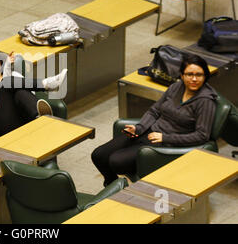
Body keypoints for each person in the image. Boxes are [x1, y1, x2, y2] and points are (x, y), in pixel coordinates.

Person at [91, 54, 217, 186]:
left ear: (205, 76)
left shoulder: (206, 101)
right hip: (149, 130)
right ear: (182, 75)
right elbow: (154, 111)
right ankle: (112, 185)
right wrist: (139, 128)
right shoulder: (176, 87)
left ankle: (123, 186)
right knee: (99, 155)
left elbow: (202, 135)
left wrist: (165, 138)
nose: (194, 79)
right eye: (189, 74)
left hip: (166, 142)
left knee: (116, 161)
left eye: (199, 75)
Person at [0, 47, 68, 137]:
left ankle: (41, 118)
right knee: (9, 84)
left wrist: (0, 100)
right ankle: (46, 84)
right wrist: (2, 98)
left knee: (19, 91)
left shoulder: (14, 75)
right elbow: (4, 87)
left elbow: (31, 93)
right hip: (5, 127)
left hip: (25, 118)